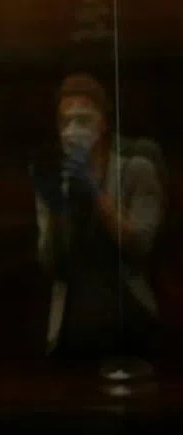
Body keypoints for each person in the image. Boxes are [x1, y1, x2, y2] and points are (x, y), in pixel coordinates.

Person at [31, 73, 164, 362]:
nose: (72, 130)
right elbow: (51, 263)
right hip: (74, 319)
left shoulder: (136, 170)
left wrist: (94, 191)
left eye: (82, 119)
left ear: (103, 123)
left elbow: (140, 246)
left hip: (127, 311)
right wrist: (56, 207)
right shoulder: (54, 178)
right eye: (64, 121)